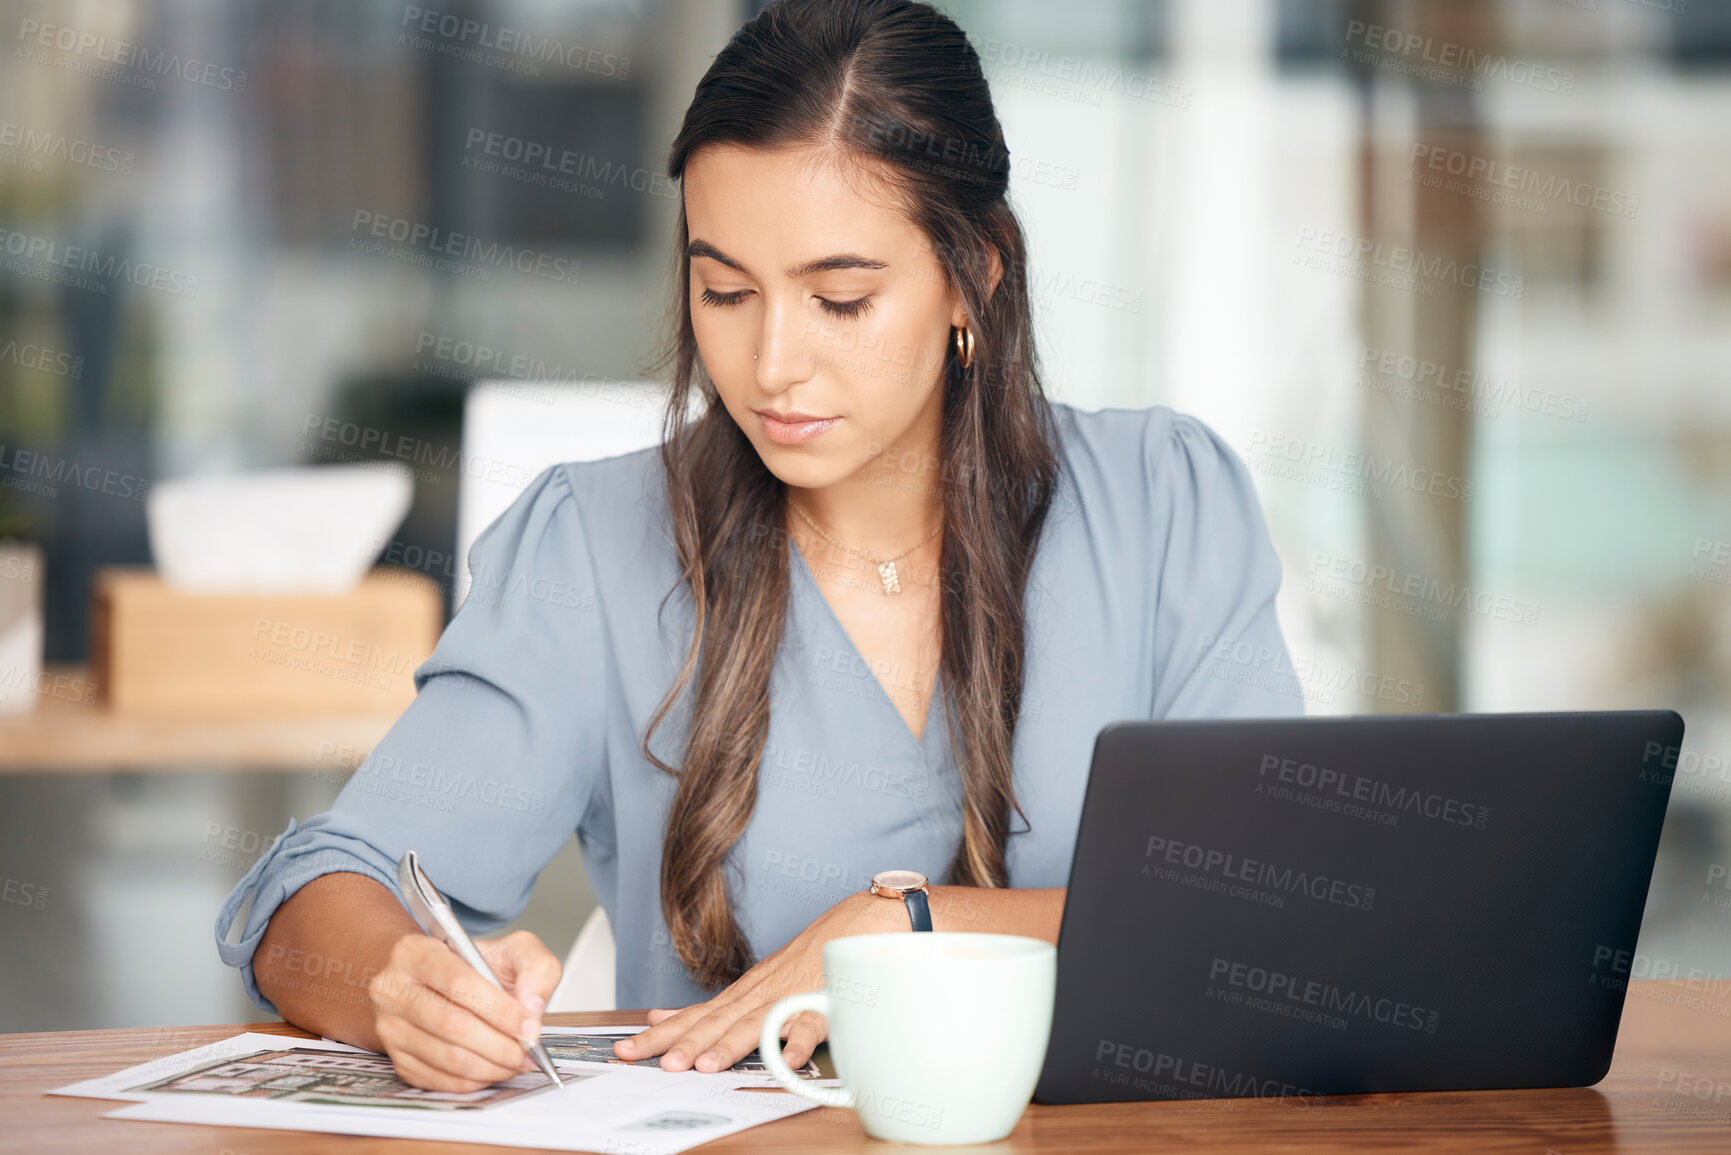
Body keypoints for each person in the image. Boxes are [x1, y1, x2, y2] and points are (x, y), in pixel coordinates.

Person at [215, 0, 1302, 1094]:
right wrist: (402, 982)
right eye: (724, 291)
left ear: (978, 272)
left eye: (840, 299)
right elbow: (314, 888)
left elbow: (1269, 913)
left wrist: (908, 926)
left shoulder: (1166, 506)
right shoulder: (594, 548)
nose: (772, 363)